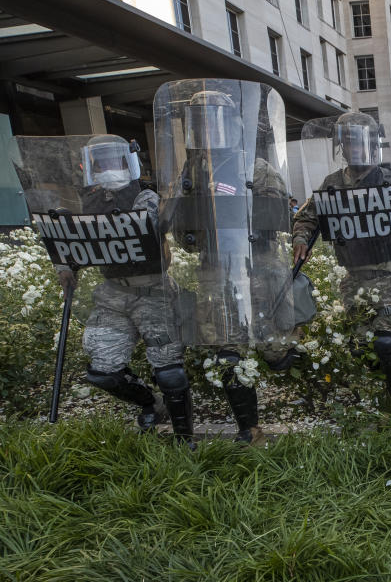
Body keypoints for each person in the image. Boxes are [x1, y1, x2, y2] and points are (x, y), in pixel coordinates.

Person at [158, 81, 296, 446]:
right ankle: (248, 428)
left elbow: (277, 211)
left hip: (257, 267)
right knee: (227, 354)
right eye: (200, 122)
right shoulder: (189, 172)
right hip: (213, 271)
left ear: (233, 124)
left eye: (214, 120)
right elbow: (172, 219)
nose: (207, 130)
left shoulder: (255, 165)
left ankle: (297, 374)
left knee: (278, 354)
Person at [57, 136, 193, 445]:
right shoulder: (86, 201)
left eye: (113, 161)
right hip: (112, 294)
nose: (107, 167)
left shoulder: (143, 196)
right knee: (102, 371)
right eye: (100, 162)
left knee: (170, 371)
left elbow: (156, 228)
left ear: (127, 162)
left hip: (153, 292)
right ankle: (151, 404)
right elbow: (75, 241)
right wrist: (64, 265)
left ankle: (185, 438)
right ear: (91, 165)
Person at [292, 112, 391, 405]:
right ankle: (389, 385)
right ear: (342, 145)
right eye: (349, 142)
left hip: (389, 277)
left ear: (372, 144)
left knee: (387, 342)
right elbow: (307, 217)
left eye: (360, 142)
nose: (354, 148)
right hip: (354, 279)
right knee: (360, 346)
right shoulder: (331, 184)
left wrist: (386, 235)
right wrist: (301, 238)